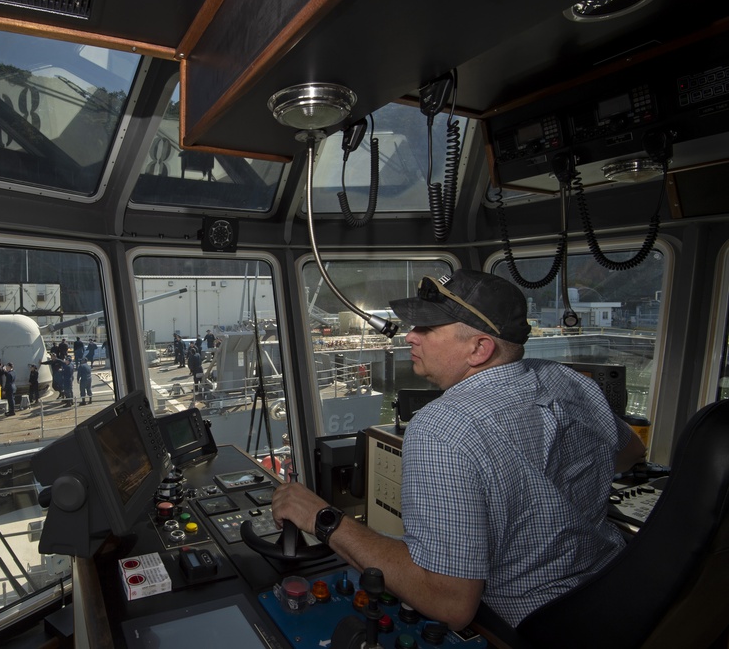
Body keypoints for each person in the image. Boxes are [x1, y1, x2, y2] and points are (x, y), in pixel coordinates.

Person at [271, 269, 646, 631]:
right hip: (616, 588)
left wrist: (323, 518)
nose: (410, 337)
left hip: (534, 624)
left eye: (427, 328)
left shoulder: (441, 430)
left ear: (479, 348)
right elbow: (630, 452)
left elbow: (450, 604)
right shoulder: (565, 379)